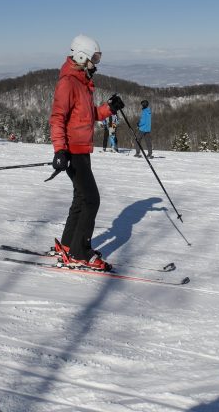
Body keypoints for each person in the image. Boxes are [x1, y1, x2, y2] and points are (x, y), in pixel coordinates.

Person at [49, 34, 125, 271]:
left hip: (82, 149)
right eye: (94, 58)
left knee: (82, 198)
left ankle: (70, 245)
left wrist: (108, 109)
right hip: (73, 150)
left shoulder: (81, 82)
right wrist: (60, 149)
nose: (96, 62)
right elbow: (57, 118)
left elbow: (87, 115)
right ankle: (80, 252)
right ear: (82, 56)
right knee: (91, 199)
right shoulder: (68, 83)